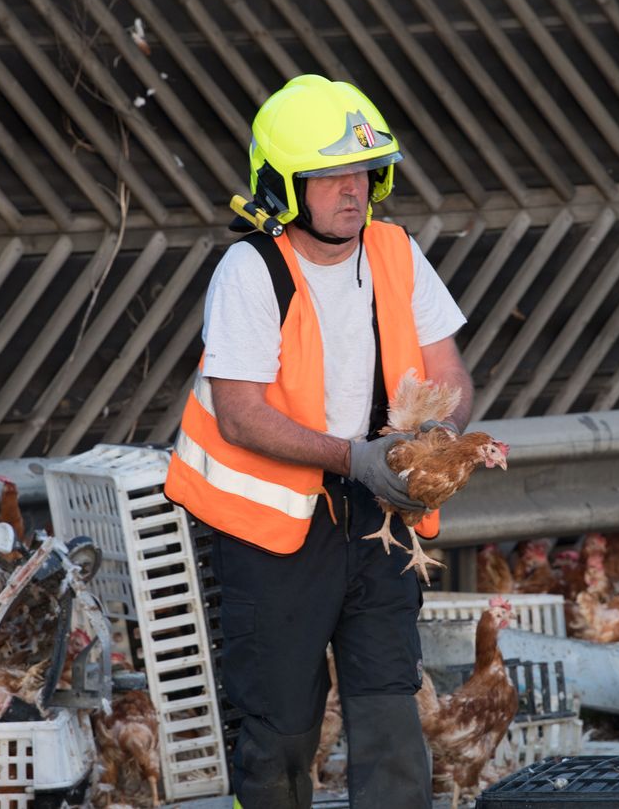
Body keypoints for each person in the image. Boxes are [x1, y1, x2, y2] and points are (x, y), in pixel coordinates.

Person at [165, 74, 471, 808]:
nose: (353, 190)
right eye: (328, 176)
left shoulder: (395, 252)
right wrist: (356, 458)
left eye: (364, 173)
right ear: (282, 187)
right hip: (272, 535)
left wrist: (441, 440)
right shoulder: (250, 270)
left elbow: (450, 371)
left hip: (379, 523)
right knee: (279, 728)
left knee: (391, 708)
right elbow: (239, 414)